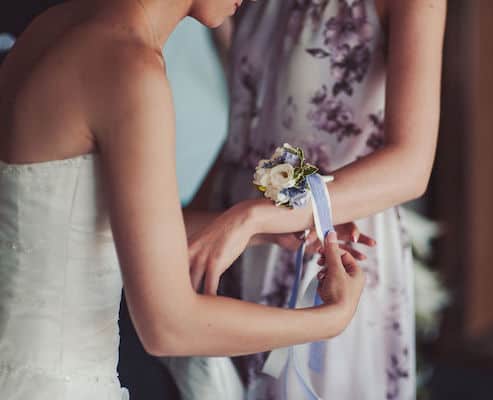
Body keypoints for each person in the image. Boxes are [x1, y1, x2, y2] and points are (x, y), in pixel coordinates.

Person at [0, 1, 366, 399]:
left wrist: (257, 231)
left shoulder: (52, 28)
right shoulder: (129, 68)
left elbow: (67, 227)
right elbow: (168, 327)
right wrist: (329, 319)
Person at [169, 0, 447, 399]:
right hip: (233, 236)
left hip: (328, 250)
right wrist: (184, 231)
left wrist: (256, 218)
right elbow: (243, 138)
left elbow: (411, 166)